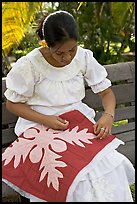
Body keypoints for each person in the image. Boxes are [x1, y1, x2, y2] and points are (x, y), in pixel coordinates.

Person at [2, 10, 135, 202]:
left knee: (109, 165)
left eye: (72, 50)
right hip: (40, 128)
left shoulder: (83, 57)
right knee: (73, 177)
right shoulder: (29, 65)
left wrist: (108, 115)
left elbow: (106, 93)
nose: (67, 57)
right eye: (60, 53)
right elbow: (13, 104)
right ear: (46, 44)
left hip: (77, 124)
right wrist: (46, 120)